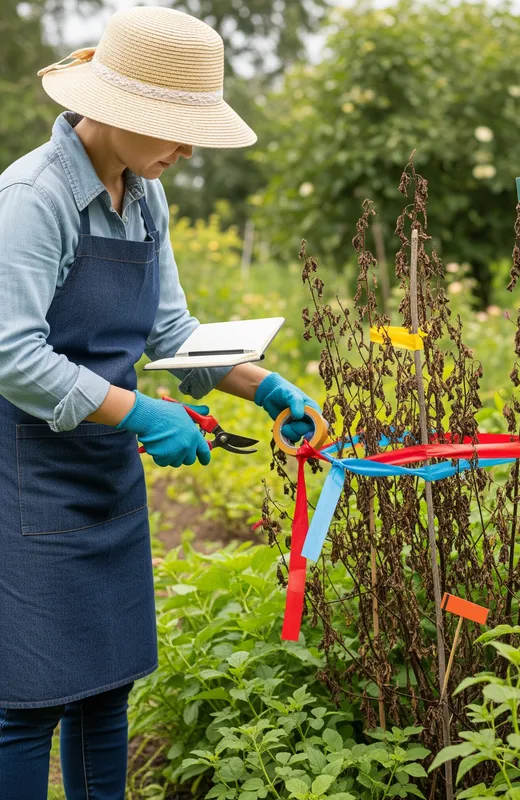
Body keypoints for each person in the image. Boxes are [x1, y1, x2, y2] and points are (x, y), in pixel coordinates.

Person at [0, 7, 321, 798]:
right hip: (26, 473)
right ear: (111, 111)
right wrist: (142, 414)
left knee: (106, 689)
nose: (184, 150)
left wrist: (264, 389)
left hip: (102, 470)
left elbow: (172, 332)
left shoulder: (144, 196)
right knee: (29, 699)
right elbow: (10, 354)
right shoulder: (33, 198)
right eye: (173, 130)